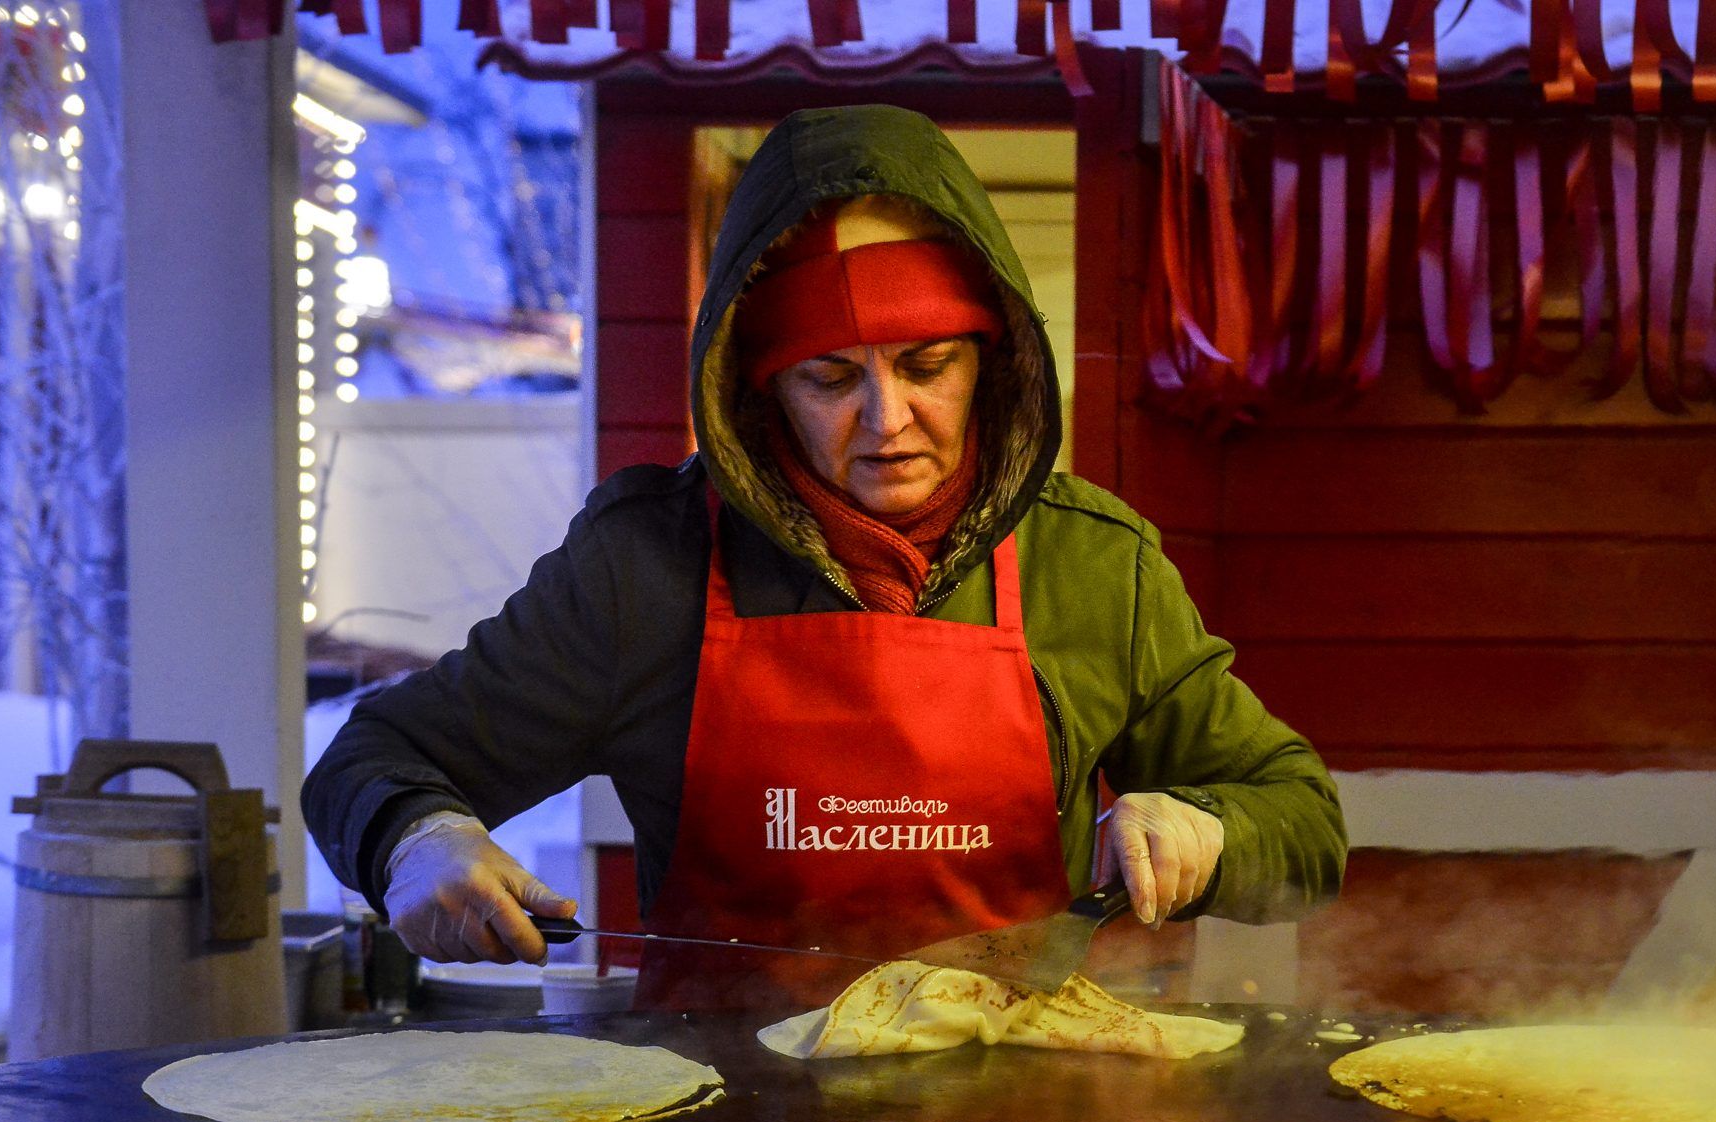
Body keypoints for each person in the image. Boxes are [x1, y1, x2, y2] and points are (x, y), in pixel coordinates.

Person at [304, 106, 1345, 1011]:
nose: (887, 420)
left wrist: (1210, 827)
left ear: (994, 360)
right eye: (831, 376)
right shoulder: (642, 570)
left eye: (927, 365)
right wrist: (416, 837)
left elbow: (1300, 819)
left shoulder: (1093, 566)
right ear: (761, 389)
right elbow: (370, 762)